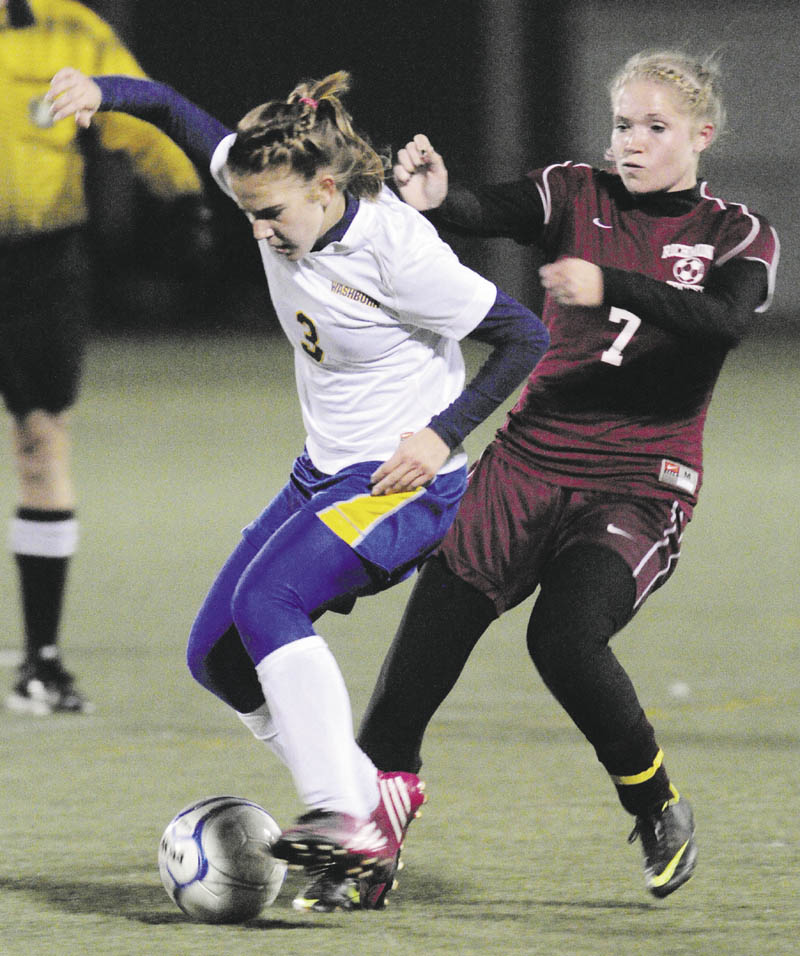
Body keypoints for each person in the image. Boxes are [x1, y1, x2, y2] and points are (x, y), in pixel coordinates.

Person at [46, 66, 549, 909]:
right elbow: (171, 108)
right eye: (247, 213)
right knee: (216, 657)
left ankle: (344, 813)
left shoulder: (397, 249)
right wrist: (99, 91)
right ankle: (367, 803)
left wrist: (441, 434)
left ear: (325, 187)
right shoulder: (265, 177)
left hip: (406, 484)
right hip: (321, 472)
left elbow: (523, 335)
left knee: (269, 601)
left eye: (272, 214)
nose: (260, 230)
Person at [354, 48, 780, 901]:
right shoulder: (573, 192)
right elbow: (488, 208)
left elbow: (723, 323)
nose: (633, 142)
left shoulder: (735, 232)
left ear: (701, 135)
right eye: (624, 124)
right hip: (526, 465)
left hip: (641, 478)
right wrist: (439, 199)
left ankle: (654, 804)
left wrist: (610, 283)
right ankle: (366, 853)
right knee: (414, 672)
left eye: (656, 128)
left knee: (564, 639)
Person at [1, 0, 209, 716]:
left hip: (42, 264)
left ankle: (42, 663)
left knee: (41, 442)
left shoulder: (68, 27)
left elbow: (132, 107)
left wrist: (183, 197)